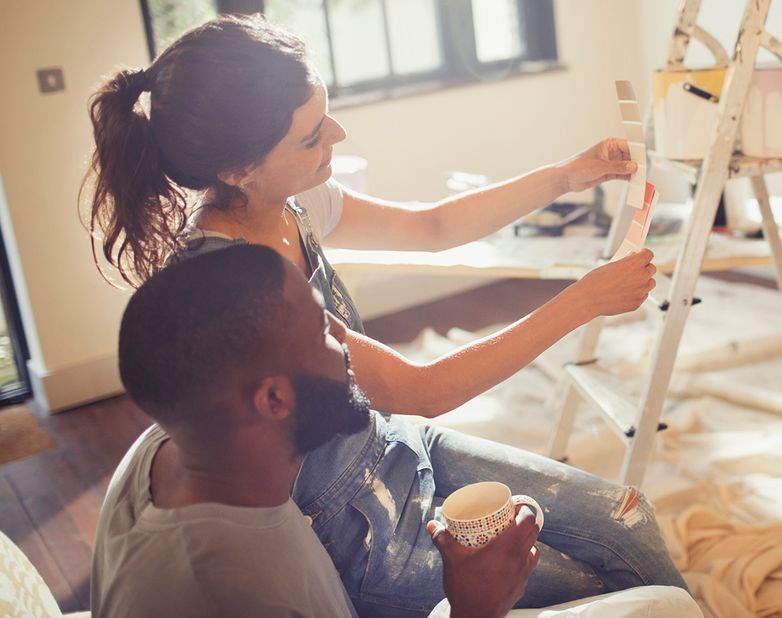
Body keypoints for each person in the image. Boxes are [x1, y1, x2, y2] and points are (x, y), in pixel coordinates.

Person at [84, 14, 688, 616]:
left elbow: (433, 227)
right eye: (312, 134)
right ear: (237, 170)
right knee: (599, 587)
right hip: (360, 528)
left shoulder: (287, 199)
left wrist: (567, 175)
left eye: (327, 115)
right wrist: (584, 301)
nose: (338, 135)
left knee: (628, 520)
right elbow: (422, 389)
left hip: (394, 443)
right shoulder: (236, 285)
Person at [92, 244, 540, 617]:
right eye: (322, 328)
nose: (344, 335)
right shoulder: (237, 593)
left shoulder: (175, 442)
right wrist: (473, 610)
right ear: (273, 400)